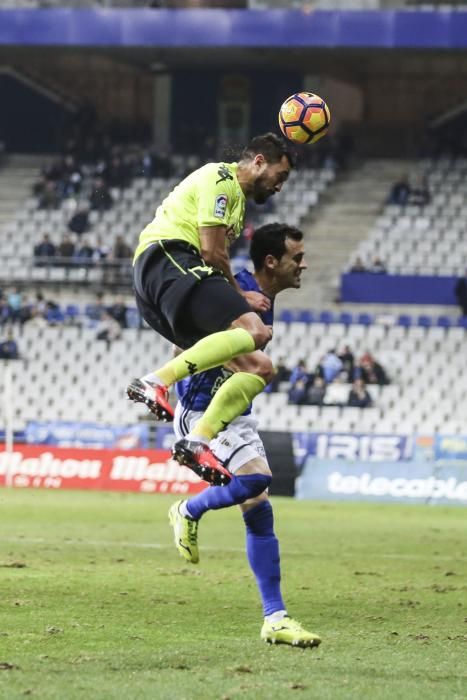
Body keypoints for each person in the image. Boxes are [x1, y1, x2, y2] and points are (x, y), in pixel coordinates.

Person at [168, 222, 320, 648]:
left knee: (259, 507)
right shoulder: (241, 293)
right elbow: (195, 337)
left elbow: (186, 342)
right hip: (203, 412)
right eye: (297, 258)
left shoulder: (261, 300)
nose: (304, 265)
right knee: (255, 482)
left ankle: (275, 618)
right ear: (272, 261)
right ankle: (189, 510)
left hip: (237, 414)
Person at [126, 133, 294, 484]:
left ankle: (197, 441)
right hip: (169, 257)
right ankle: (154, 382)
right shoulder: (222, 178)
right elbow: (211, 252)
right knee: (254, 330)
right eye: (280, 177)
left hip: (166, 280)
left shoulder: (237, 204)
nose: (279, 187)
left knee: (259, 367)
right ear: (259, 162)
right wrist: (239, 296)